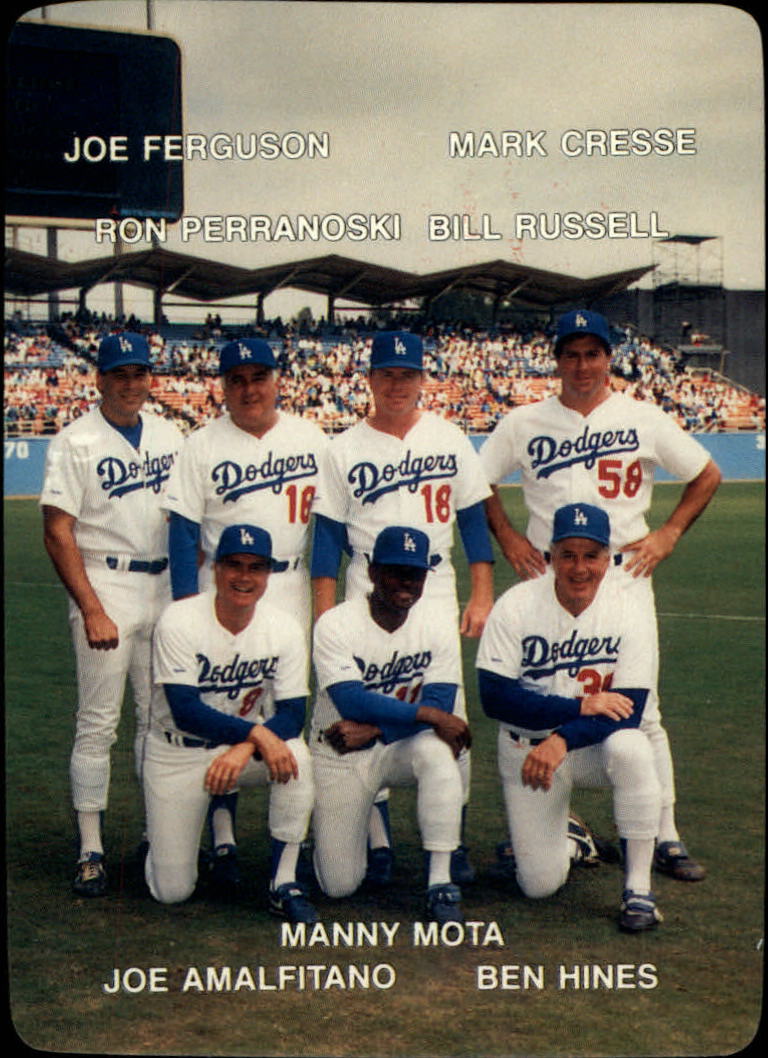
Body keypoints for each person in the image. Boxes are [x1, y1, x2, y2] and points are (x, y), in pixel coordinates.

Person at [480, 308, 721, 881]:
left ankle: (664, 834)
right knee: (549, 687)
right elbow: (476, 479)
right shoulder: (525, 421)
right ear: (557, 359)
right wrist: (510, 535)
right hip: (550, 572)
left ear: (608, 357)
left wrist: (668, 533)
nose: (582, 365)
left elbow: (705, 472)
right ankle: (551, 815)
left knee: (645, 709)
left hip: (625, 568)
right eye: (571, 354)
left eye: (593, 353)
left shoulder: (641, 415)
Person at [311, 331, 494, 885]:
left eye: (407, 374)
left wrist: (482, 589)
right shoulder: (343, 447)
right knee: (363, 708)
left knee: (446, 712)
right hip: (365, 583)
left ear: (422, 379)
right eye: (386, 373)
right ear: (369, 379)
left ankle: (451, 840)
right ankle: (377, 832)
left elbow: (472, 518)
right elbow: (325, 537)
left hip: (433, 582)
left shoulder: (451, 437)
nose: (397, 384)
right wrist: (325, 615)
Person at [163, 337, 328, 888]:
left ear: (277, 380)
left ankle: (292, 835)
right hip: (227, 588)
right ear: (223, 386)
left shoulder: (310, 437)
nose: (249, 388)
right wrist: (188, 608)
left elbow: (328, 527)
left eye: (259, 377)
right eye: (237, 379)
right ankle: (224, 829)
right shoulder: (201, 443)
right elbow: (184, 531)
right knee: (222, 696)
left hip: (293, 581)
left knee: (287, 706)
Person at [40, 332, 183, 896]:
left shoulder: (172, 434)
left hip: (164, 586)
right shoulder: (75, 440)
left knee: (158, 721)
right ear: (98, 379)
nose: (131, 383)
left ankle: (157, 833)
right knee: (99, 723)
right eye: (119, 373)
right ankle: (91, 848)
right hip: (107, 580)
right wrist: (91, 608)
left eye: (139, 373)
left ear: (150, 378)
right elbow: (57, 530)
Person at [477, 503, 664, 931]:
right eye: (568, 555)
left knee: (634, 747)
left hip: (589, 748)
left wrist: (561, 737)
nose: (580, 568)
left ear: (607, 558)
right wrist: (577, 708)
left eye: (591, 556)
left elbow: (629, 708)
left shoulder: (628, 609)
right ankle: (574, 842)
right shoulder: (517, 605)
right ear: (550, 557)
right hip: (528, 753)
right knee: (539, 885)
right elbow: (495, 699)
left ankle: (638, 888)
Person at [142, 524, 317, 923]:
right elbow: (185, 709)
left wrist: (246, 746)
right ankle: (166, 837)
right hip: (177, 751)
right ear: (215, 568)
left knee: (297, 756)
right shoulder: (179, 619)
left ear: (269, 574)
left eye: (256, 567)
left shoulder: (283, 626)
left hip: (238, 750)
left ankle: (284, 881)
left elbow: (293, 713)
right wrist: (255, 733)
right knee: (172, 892)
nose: (244, 577)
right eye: (234, 565)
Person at [311, 525, 471, 923]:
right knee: (339, 885)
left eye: (414, 573)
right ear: (372, 570)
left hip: (393, 744)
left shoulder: (435, 622)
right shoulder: (336, 623)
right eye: (396, 571)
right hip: (340, 752)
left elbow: (441, 699)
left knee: (437, 754)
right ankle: (358, 825)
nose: (406, 581)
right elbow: (351, 700)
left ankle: (439, 882)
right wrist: (428, 716)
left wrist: (380, 729)